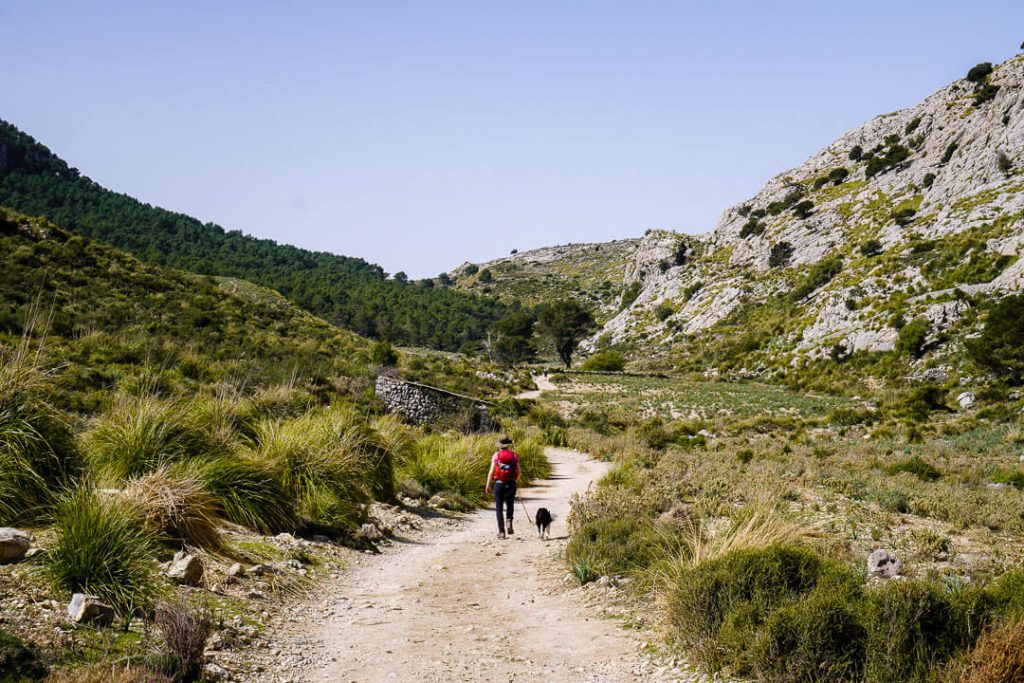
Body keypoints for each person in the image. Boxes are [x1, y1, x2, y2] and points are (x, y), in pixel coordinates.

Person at [485, 435, 520, 539]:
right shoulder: (514, 456)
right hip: (511, 483)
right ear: (508, 444)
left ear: (499, 445)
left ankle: (501, 532)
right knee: (510, 504)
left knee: (499, 508)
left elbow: (491, 472)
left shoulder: (496, 455)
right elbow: (519, 471)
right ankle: (509, 520)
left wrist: (488, 484)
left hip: (499, 484)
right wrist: (515, 480)